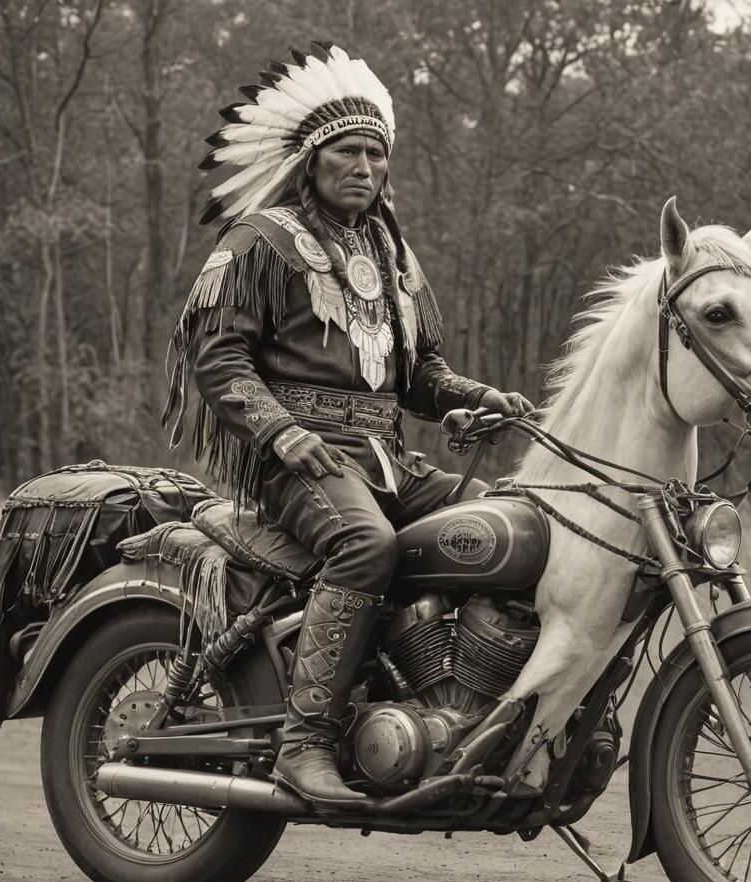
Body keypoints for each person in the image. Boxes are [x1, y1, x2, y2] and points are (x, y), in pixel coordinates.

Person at [163, 43, 533, 810]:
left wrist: (475, 397)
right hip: (296, 462)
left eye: (375, 153)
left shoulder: (391, 254)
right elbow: (217, 357)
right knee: (367, 544)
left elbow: (419, 375)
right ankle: (305, 744)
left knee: (513, 525)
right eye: (347, 152)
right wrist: (277, 431)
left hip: (385, 459)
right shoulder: (260, 240)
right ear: (311, 159)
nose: (364, 166)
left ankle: (458, 709)